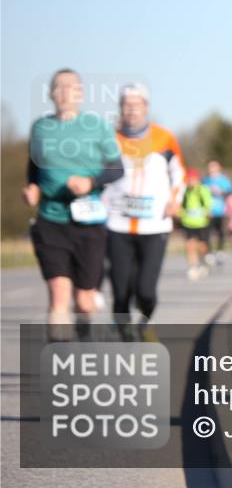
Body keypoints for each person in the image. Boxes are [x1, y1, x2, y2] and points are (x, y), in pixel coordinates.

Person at [23, 69, 124, 341]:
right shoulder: (40, 128)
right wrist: (32, 186)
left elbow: (117, 168)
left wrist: (91, 182)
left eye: (71, 87)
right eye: (59, 87)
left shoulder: (97, 126)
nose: (65, 92)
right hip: (50, 219)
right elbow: (34, 166)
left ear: (81, 93)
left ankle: (83, 334)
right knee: (58, 298)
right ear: (50, 94)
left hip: (88, 221)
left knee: (84, 302)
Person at [103, 83, 185, 340]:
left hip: (154, 224)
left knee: (146, 290)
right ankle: (125, 331)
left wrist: (175, 200)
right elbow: (95, 174)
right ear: (120, 108)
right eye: (126, 105)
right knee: (120, 289)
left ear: (146, 107)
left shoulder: (164, 138)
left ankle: (145, 318)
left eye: (136, 105)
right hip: (117, 224)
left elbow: (179, 174)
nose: (131, 110)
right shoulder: (109, 139)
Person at [179, 168, 213, 280]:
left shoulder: (203, 190)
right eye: (188, 179)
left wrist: (207, 212)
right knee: (190, 246)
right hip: (188, 223)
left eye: (191, 179)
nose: (190, 182)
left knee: (202, 246)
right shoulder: (185, 191)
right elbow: (182, 206)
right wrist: (181, 214)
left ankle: (204, 262)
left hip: (202, 223)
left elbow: (208, 204)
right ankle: (192, 267)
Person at [202, 160, 232, 265]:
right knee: (207, 233)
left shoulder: (224, 180)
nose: (211, 169)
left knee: (221, 232)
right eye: (210, 167)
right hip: (208, 211)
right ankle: (209, 253)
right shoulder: (205, 181)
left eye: (214, 167)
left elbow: (229, 193)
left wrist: (220, 192)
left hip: (221, 210)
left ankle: (220, 251)